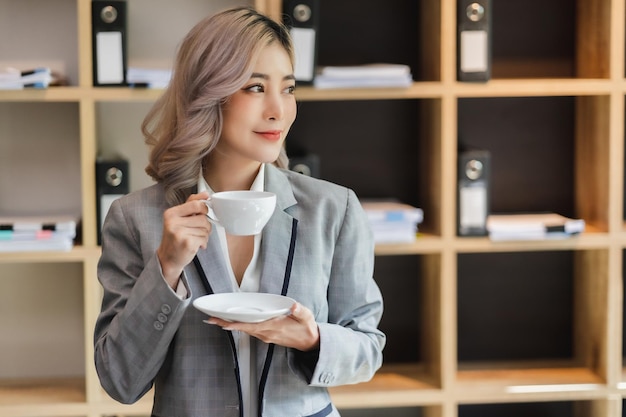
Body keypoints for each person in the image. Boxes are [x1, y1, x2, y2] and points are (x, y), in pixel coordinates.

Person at [93, 6, 385, 417]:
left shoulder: (333, 209)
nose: (278, 110)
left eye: (287, 88)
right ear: (207, 92)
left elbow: (368, 349)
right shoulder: (135, 217)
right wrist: (167, 268)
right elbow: (119, 381)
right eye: (254, 87)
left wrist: (313, 338)